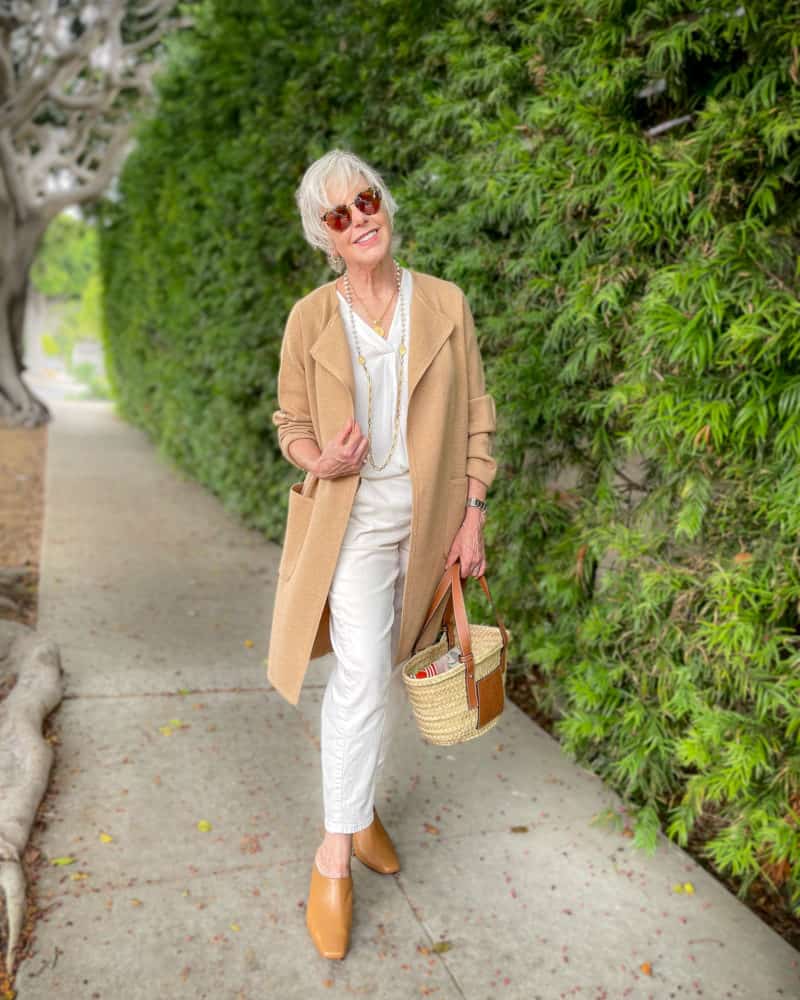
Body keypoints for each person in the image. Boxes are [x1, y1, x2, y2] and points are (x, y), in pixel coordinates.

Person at [268, 148, 498, 959]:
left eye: (366, 201)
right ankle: (335, 852)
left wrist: (472, 514)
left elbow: (476, 412)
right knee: (361, 673)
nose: (359, 219)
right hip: (355, 522)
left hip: (433, 516)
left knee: (394, 668)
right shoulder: (309, 318)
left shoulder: (443, 302)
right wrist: (317, 461)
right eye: (338, 214)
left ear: (385, 207)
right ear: (323, 236)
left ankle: (361, 814)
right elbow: (289, 424)